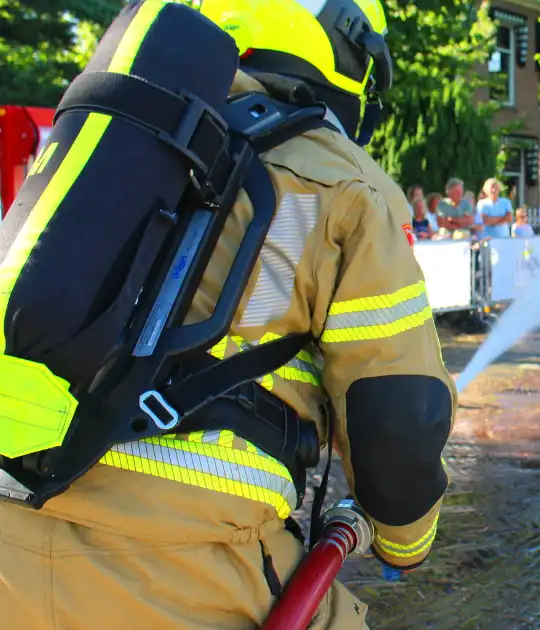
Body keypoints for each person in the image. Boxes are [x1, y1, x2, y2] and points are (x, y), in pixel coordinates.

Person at [0, 1, 456, 629]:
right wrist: (406, 540)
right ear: (347, 52)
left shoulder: (130, 131)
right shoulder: (339, 182)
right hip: (187, 576)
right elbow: (400, 412)